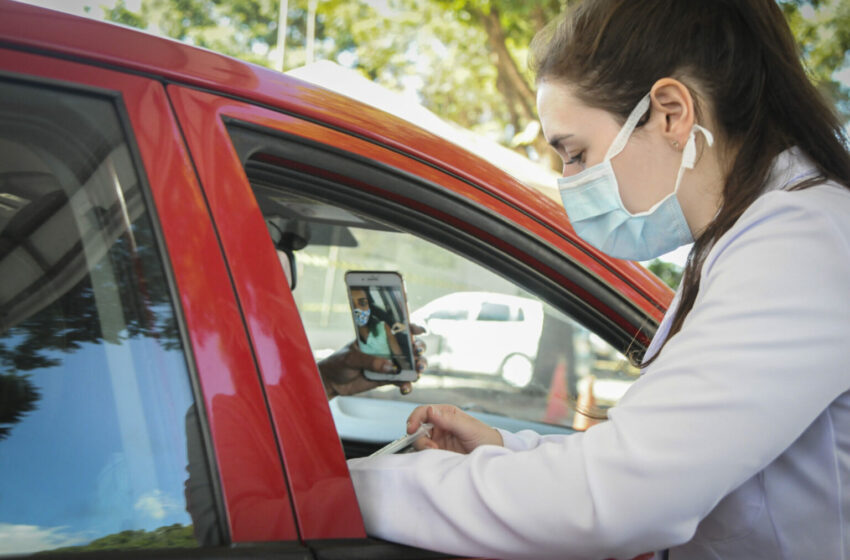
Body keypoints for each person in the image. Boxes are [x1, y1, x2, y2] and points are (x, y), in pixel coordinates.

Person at [344, 1, 850, 559]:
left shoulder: (800, 240)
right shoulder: (755, 237)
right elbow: (653, 454)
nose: (570, 183)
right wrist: (504, 450)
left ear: (671, 114)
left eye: (576, 153)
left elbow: (617, 497)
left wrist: (344, 487)